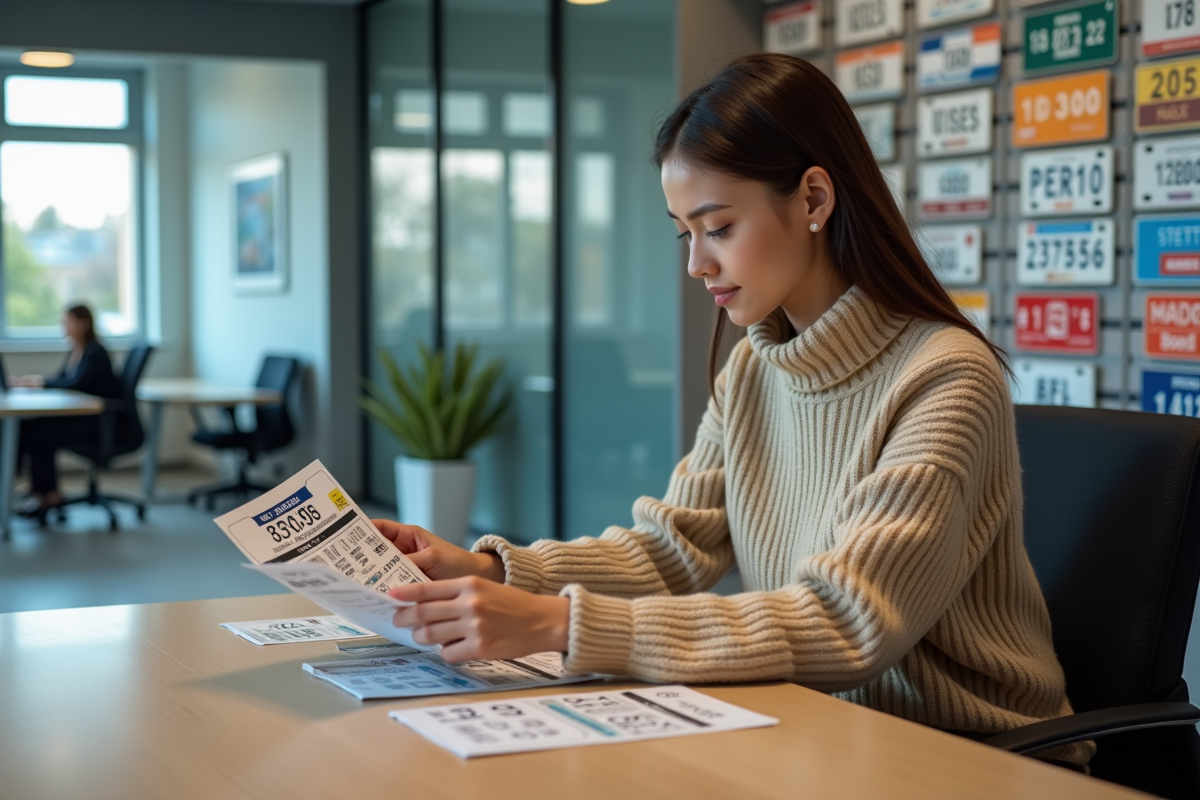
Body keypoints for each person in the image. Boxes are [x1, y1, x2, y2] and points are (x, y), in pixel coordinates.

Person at [374, 53, 1092, 770]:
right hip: (821, 733)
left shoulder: (944, 378)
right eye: (684, 233)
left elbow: (848, 622)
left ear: (813, 200)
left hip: (978, 756)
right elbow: (673, 549)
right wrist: (493, 571)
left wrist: (561, 622)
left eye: (717, 227)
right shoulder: (756, 364)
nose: (696, 264)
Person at [13, 304, 119, 516]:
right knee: (31, 424)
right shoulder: (77, 350)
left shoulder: (95, 353)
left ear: (83, 324)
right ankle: (41, 490)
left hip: (97, 424)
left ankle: (48, 495)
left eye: (67, 322)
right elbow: (63, 379)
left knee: (40, 432)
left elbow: (75, 384)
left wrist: (41, 383)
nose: (64, 328)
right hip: (83, 419)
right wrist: (36, 382)